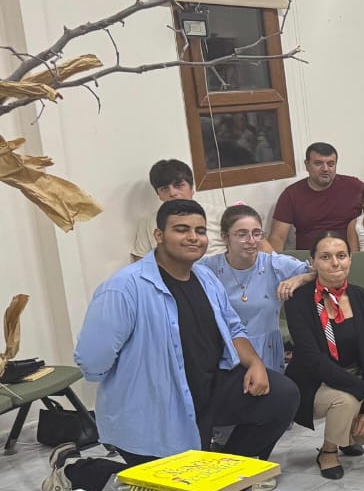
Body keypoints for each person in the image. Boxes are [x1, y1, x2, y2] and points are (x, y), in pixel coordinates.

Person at [76, 199, 298, 464]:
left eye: (200, 231)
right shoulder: (124, 287)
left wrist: (255, 363)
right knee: (170, 486)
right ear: (159, 235)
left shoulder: (206, 278)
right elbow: (92, 361)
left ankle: (223, 468)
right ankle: (76, 468)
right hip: (156, 406)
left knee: (282, 395)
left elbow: (233, 327)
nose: (193, 237)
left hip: (209, 389)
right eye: (181, 229)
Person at [282, 233, 364, 479]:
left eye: (341, 256)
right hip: (315, 382)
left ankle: (345, 436)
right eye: (325, 257)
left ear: (350, 260)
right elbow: (313, 359)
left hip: (355, 378)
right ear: (313, 262)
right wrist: (363, 391)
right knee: (347, 400)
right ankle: (328, 451)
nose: (335, 263)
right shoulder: (299, 300)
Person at [198, 204, 313, 374]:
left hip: (267, 351)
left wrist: (301, 278)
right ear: (225, 237)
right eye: (242, 234)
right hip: (226, 352)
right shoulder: (208, 268)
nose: (251, 241)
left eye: (257, 233)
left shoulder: (274, 264)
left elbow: (324, 273)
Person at [268, 142, 364, 252]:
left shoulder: (354, 186)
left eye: (331, 164)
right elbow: (278, 237)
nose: (325, 169)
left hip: (348, 256)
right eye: (318, 163)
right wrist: (274, 261)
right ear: (307, 164)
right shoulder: (291, 194)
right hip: (309, 258)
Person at [131, 159, 223, 260]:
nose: (172, 193)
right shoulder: (147, 223)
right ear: (159, 195)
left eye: (179, 186)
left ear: (192, 188)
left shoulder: (220, 215)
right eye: (164, 189)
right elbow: (140, 260)